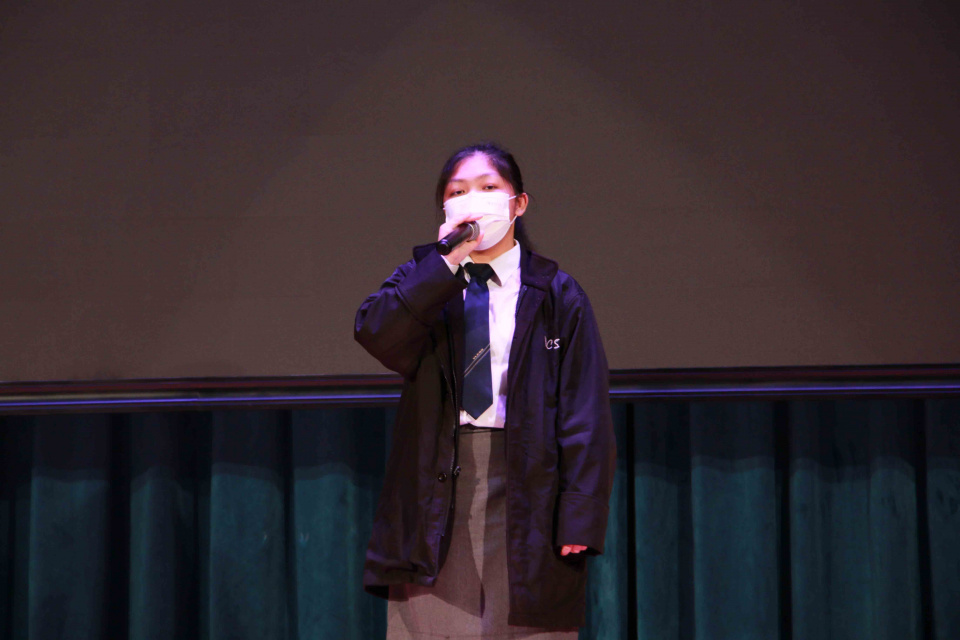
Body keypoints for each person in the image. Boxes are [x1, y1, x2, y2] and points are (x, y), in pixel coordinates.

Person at [354, 142, 616, 638]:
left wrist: (580, 515)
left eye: (488, 187)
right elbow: (376, 333)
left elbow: (586, 412)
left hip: (527, 485)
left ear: (518, 203)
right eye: (458, 192)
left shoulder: (558, 293)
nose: (472, 200)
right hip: (436, 485)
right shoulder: (424, 281)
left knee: (526, 623)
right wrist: (443, 266)